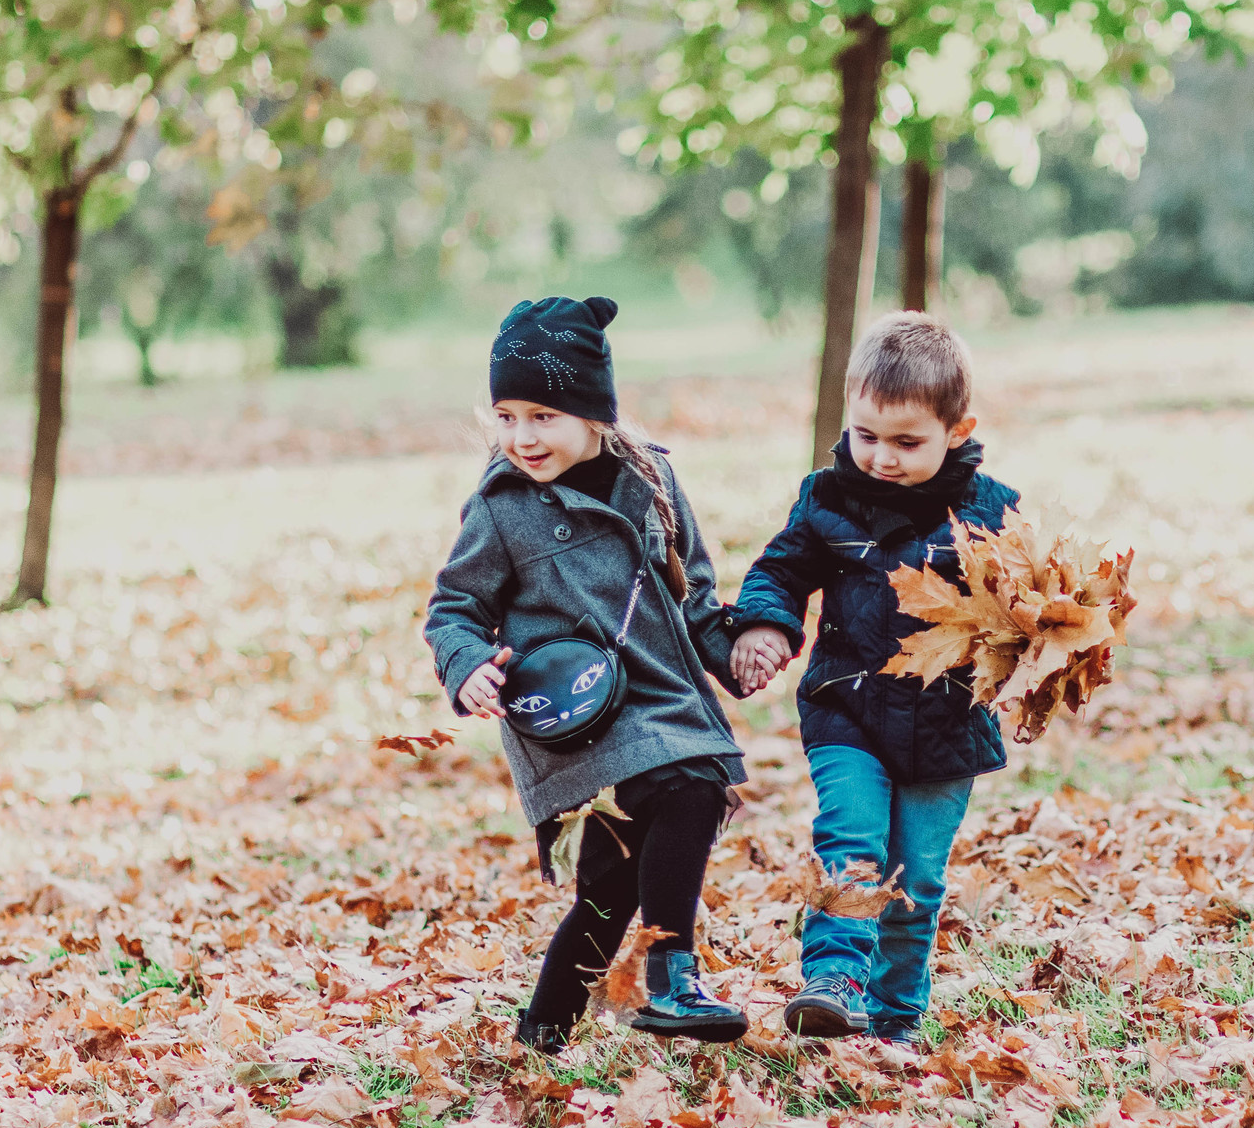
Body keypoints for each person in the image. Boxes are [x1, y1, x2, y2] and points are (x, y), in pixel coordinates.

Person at [426, 295, 753, 1054]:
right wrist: (468, 662)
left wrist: (735, 649)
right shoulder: (503, 507)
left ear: (593, 410)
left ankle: (542, 1033)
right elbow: (454, 606)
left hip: (663, 693)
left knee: (607, 889)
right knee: (690, 784)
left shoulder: (654, 481)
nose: (522, 435)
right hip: (574, 711)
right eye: (507, 415)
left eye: (543, 415)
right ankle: (675, 977)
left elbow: (694, 592)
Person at [731, 311, 1019, 1043]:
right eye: (865, 435)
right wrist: (766, 623)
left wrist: (1042, 642)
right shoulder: (829, 496)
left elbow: (1030, 605)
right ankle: (833, 978)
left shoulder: (992, 510)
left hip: (946, 723)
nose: (882, 457)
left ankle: (895, 1016)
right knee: (851, 841)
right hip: (846, 709)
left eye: (906, 441)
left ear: (958, 429)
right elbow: (781, 567)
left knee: (917, 881)